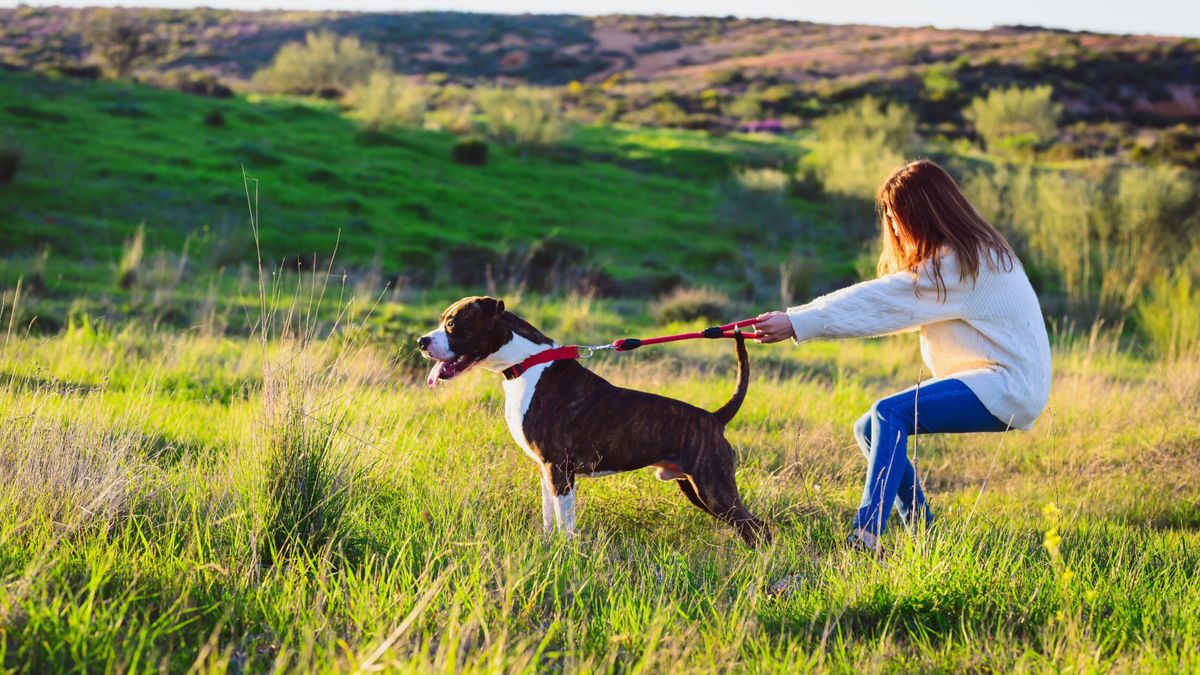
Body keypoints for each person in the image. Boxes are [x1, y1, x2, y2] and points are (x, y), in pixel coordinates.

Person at [753, 159, 1051, 554]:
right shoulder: (965, 254)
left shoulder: (961, 264)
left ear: (923, 213)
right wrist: (797, 321)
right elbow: (889, 302)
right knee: (869, 428)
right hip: (997, 378)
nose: (893, 228)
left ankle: (866, 535)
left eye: (897, 217)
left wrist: (796, 322)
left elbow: (879, 300)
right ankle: (925, 534)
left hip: (1009, 384)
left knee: (887, 412)